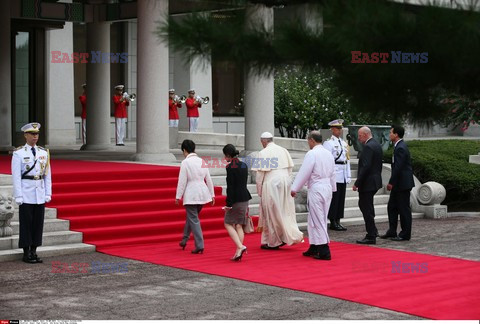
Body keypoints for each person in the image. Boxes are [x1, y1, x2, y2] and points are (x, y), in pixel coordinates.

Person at [252, 131, 303, 249]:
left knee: (271, 213)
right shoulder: (283, 150)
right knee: (285, 211)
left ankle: (275, 241)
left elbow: (260, 175)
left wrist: (259, 191)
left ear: (263, 141)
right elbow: (290, 169)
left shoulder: (263, 152)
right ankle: (284, 236)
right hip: (285, 181)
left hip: (271, 182)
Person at [291, 131, 336, 260]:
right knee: (314, 218)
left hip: (317, 187)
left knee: (318, 219)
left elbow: (304, 172)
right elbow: (333, 173)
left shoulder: (312, 153)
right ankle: (314, 246)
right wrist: (333, 187)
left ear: (311, 140)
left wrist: (294, 188)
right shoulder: (328, 153)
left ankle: (324, 250)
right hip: (326, 187)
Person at [11, 122, 52, 263]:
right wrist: (18, 195)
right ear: (25, 135)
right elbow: (16, 176)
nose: (35, 137)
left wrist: (48, 193)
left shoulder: (43, 152)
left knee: (37, 224)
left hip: (39, 193)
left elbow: (47, 174)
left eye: (37, 134)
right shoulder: (19, 153)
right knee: (26, 224)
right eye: (32, 134)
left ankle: (34, 251)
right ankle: (26, 252)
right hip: (26, 193)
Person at [175, 139, 215, 254]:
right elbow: (208, 179)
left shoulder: (185, 163)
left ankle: (199, 244)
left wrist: (178, 196)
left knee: (193, 219)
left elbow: (182, 181)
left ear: (184, 150)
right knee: (192, 217)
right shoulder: (202, 161)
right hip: (203, 192)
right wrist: (212, 195)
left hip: (191, 194)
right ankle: (185, 239)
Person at [381, 125, 415, 241]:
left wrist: (391, 182)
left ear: (396, 134)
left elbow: (398, 167)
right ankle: (392, 231)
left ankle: (405, 234)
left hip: (402, 184)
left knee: (403, 209)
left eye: (391, 132)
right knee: (392, 207)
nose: (389, 134)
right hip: (399, 184)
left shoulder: (400, 147)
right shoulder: (398, 146)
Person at [352, 126, 383, 244]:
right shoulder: (376, 144)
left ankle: (371, 235)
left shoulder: (368, 147)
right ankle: (373, 231)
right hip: (374, 181)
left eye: (360, 136)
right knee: (367, 206)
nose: (358, 138)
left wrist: (357, 182)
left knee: (366, 208)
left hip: (368, 183)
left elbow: (365, 166)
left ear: (365, 135)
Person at [222, 144, 252, 261]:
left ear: (228, 155)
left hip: (236, 200)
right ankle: (238, 251)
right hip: (245, 198)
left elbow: (230, 188)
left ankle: (240, 246)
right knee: (239, 225)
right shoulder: (244, 165)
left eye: (225, 156)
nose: (225, 158)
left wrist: (228, 204)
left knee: (227, 223)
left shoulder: (230, 167)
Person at [323, 119, 351, 231]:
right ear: (332, 129)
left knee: (341, 199)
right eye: (337, 128)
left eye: (340, 128)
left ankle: (338, 220)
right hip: (334, 174)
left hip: (342, 173)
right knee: (334, 199)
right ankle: (332, 220)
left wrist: (348, 176)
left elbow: (347, 160)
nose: (339, 130)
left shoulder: (344, 143)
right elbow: (326, 160)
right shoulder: (328, 143)